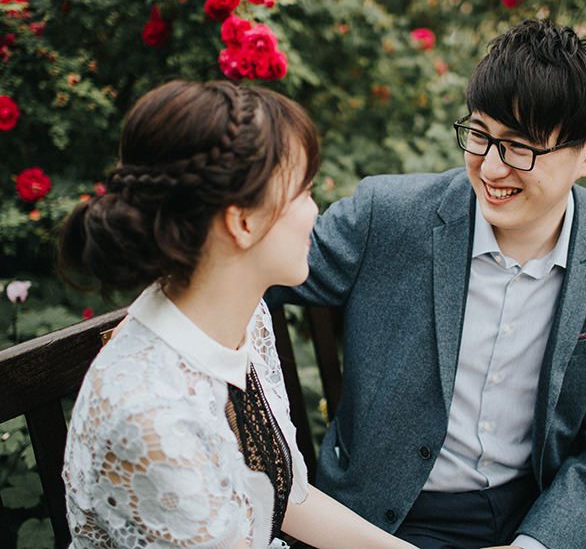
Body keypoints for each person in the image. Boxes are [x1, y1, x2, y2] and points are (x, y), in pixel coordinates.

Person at [267, 19, 586, 549]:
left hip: (543, 504)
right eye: (480, 134)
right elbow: (254, 274)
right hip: (396, 517)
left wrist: (540, 541)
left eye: (520, 148)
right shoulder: (387, 217)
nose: (490, 166)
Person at [59, 80, 418, 549]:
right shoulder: (151, 419)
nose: (316, 211)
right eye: (304, 191)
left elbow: (288, 497)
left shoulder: (244, 318)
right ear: (242, 222)